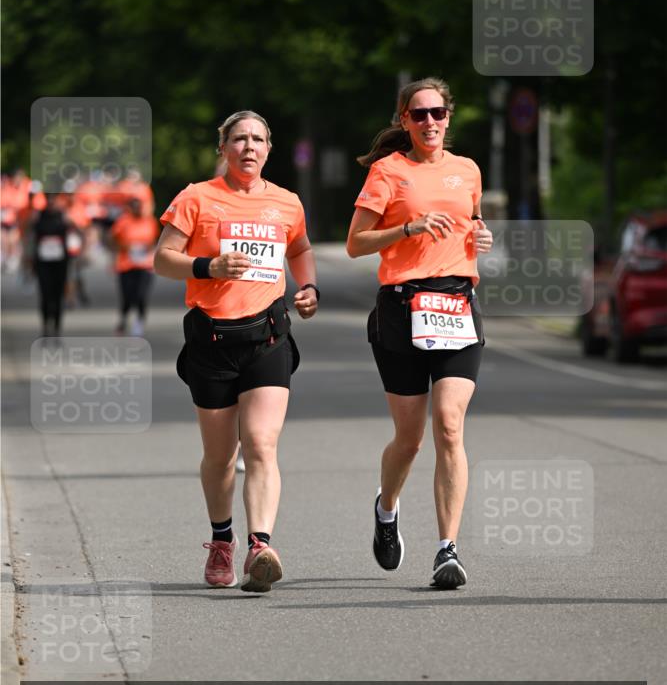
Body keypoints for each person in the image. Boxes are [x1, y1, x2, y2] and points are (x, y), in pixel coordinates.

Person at [154, 110, 319, 593]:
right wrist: (209, 266)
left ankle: (259, 547)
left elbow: (301, 248)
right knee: (220, 456)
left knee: (262, 444)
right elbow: (163, 259)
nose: (249, 146)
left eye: (258, 139)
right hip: (211, 341)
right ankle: (222, 541)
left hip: (267, 336)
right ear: (223, 147)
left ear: (270, 149)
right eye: (239, 138)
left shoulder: (286, 202)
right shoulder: (197, 197)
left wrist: (307, 286)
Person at [347, 77, 493, 590]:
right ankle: (387, 508)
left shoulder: (467, 170)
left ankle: (446, 550)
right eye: (418, 114)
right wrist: (405, 229)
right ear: (404, 121)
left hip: (456, 305)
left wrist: (482, 235)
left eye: (437, 112)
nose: (429, 121)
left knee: (449, 425)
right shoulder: (389, 172)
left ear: (449, 117)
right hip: (402, 310)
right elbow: (355, 243)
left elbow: (471, 223)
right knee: (409, 439)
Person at [25, 192, 79, 337]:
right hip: (43, 262)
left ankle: (56, 327)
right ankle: (45, 326)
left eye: (53, 199)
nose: (51, 202)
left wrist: (78, 252)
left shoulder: (64, 216)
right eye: (48, 199)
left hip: (60, 262)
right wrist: (28, 260)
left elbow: (77, 232)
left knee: (58, 295)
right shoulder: (37, 217)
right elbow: (29, 237)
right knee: (45, 294)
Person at [109, 197, 159, 335]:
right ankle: (123, 320)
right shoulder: (123, 221)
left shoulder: (150, 221)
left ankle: (139, 322)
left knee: (141, 295)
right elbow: (111, 239)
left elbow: (154, 239)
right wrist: (123, 247)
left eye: (139, 206)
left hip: (145, 265)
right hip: (126, 265)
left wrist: (148, 248)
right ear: (129, 208)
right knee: (127, 297)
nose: (137, 209)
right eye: (134, 207)